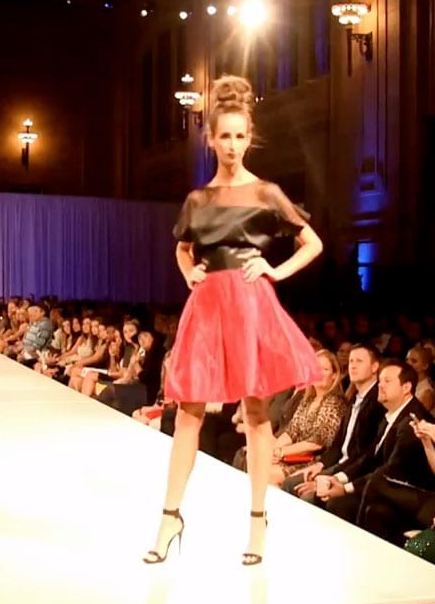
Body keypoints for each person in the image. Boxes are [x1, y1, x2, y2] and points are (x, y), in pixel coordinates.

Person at [144, 75, 324, 566]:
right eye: (224, 135)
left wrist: (275, 270)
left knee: (257, 413)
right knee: (188, 412)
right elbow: (182, 248)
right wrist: (189, 273)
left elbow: (312, 242)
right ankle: (169, 518)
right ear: (211, 139)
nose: (231, 144)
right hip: (207, 307)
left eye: (240, 135)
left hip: (249, 305)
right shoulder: (198, 200)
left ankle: (258, 523)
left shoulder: (266, 192)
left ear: (249, 138)